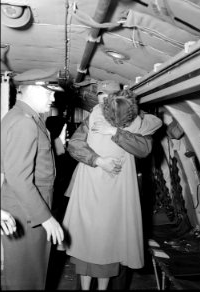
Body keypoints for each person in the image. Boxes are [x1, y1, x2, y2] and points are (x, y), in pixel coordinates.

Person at [60, 85, 162, 290]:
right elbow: (75, 144)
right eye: (100, 96)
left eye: (107, 97)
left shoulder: (136, 119)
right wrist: (98, 160)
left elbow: (144, 147)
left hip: (118, 193)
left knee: (111, 244)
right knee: (90, 239)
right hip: (92, 188)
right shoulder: (94, 117)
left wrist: (116, 131)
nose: (103, 101)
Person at [0, 68, 65, 290]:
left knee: (24, 275)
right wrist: (45, 217)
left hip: (24, 207)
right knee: (27, 278)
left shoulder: (18, 116)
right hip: (28, 211)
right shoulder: (25, 122)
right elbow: (18, 177)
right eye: (49, 92)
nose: (53, 98)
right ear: (32, 90)